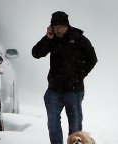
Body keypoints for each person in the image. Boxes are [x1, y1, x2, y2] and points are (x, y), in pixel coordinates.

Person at [32, 11, 98, 144]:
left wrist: (80, 74)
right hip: (54, 90)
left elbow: (92, 58)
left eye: (60, 26)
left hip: (74, 90)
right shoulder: (52, 40)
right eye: (55, 27)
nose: (58, 30)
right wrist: (47, 39)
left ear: (67, 25)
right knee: (53, 122)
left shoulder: (78, 38)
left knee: (75, 126)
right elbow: (36, 53)